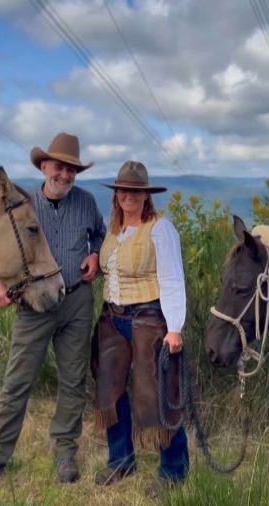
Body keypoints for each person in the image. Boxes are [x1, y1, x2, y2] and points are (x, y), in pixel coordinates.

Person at [0, 133, 106, 485]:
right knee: (18, 380)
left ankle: (65, 453)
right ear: (44, 166)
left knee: (73, 380)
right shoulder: (23, 205)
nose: (65, 175)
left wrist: (95, 255)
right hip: (33, 303)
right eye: (60, 167)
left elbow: (101, 236)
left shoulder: (88, 203)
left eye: (72, 170)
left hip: (76, 299)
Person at [91, 160, 189, 498]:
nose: (128, 196)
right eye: (123, 190)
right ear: (117, 193)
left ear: (146, 195)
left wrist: (174, 327)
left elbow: (173, 279)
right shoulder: (113, 229)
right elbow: (112, 270)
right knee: (111, 392)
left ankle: (173, 471)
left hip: (149, 320)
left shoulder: (161, 229)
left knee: (159, 395)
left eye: (136, 191)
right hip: (112, 319)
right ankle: (121, 461)